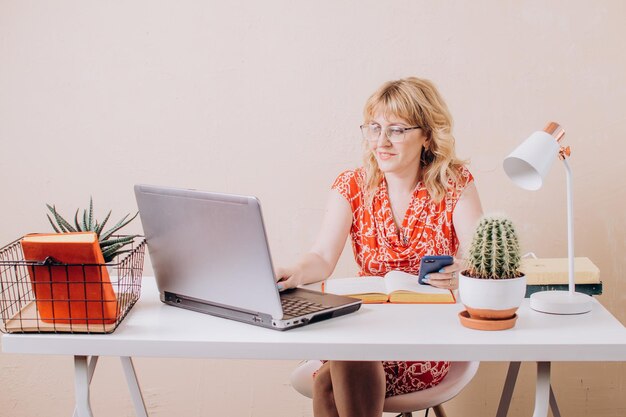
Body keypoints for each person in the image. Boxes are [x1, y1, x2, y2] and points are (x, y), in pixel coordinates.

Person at [275, 77, 483, 417]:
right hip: (369, 325)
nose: (381, 141)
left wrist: (462, 270)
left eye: (396, 130)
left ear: (427, 135)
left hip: (427, 335)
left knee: (332, 374)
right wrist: (294, 272)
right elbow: (322, 257)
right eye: (374, 128)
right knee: (350, 351)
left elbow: (481, 258)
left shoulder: (453, 183)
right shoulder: (352, 185)